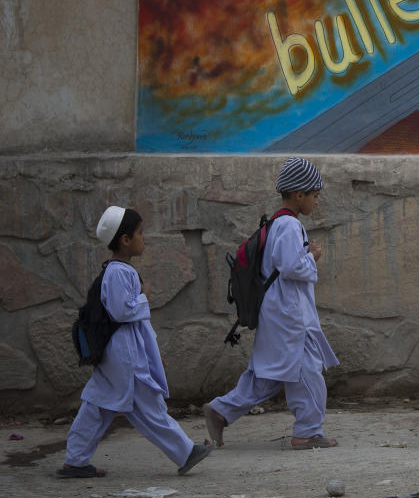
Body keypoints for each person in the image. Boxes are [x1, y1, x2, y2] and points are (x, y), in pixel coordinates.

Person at [57, 207, 211, 478]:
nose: (144, 237)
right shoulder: (118, 273)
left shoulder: (119, 271)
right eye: (140, 232)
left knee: (98, 403)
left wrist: (152, 354)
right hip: (124, 354)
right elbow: (122, 312)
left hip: (119, 352)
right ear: (125, 240)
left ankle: (75, 459)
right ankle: (185, 452)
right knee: (147, 404)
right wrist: (143, 295)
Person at [203, 157, 339, 450]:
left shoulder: (277, 223)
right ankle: (308, 432)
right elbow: (291, 267)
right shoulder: (290, 226)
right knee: (307, 370)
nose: (317, 202)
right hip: (290, 315)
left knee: (270, 374)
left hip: (279, 311)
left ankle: (220, 411)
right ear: (298, 194)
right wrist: (313, 256)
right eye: (314, 196)